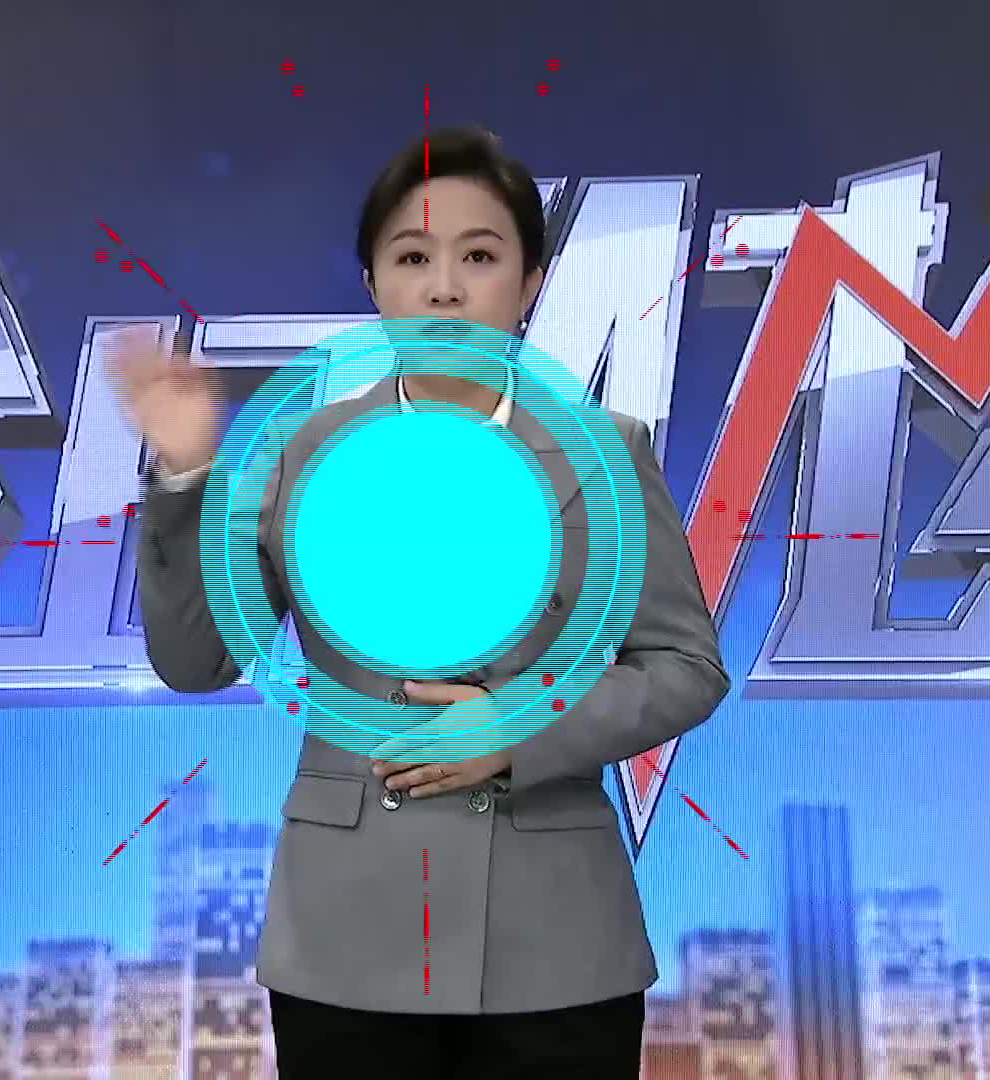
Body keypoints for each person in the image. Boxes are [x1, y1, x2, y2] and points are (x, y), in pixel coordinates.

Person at [109, 125, 731, 1079]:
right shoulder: (298, 457)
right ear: (373, 286)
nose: (444, 289)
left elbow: (686, 666)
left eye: (479, 257)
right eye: (412, 258)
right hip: (347, 937)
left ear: (530, 283)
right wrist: (190, 470)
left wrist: (522, 727)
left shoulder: (608, 452)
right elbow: (197, 661)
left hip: (556, 942)